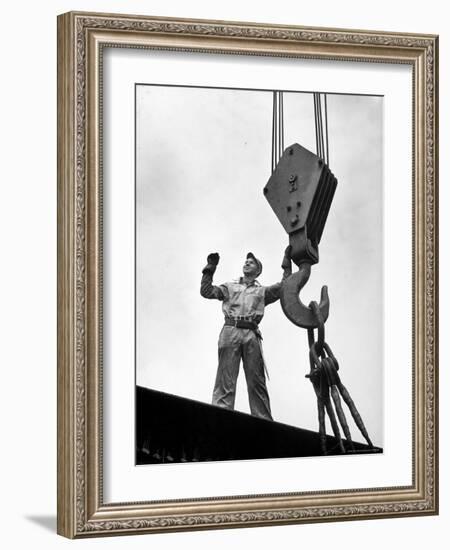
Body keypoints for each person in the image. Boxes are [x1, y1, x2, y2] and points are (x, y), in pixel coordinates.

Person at [200, 248, 292, 420]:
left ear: (258, 271)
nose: (247, 262)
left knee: (256, 381)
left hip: (251, 334)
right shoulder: (229, 287)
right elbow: (206, 291)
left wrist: (287, 262)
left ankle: (263, 420)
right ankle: (220, 414)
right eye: (246, 261)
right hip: (230, 330)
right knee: (225, 378)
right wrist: (210, 267)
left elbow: (285, 286)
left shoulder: (262, 291)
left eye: (252, 262)